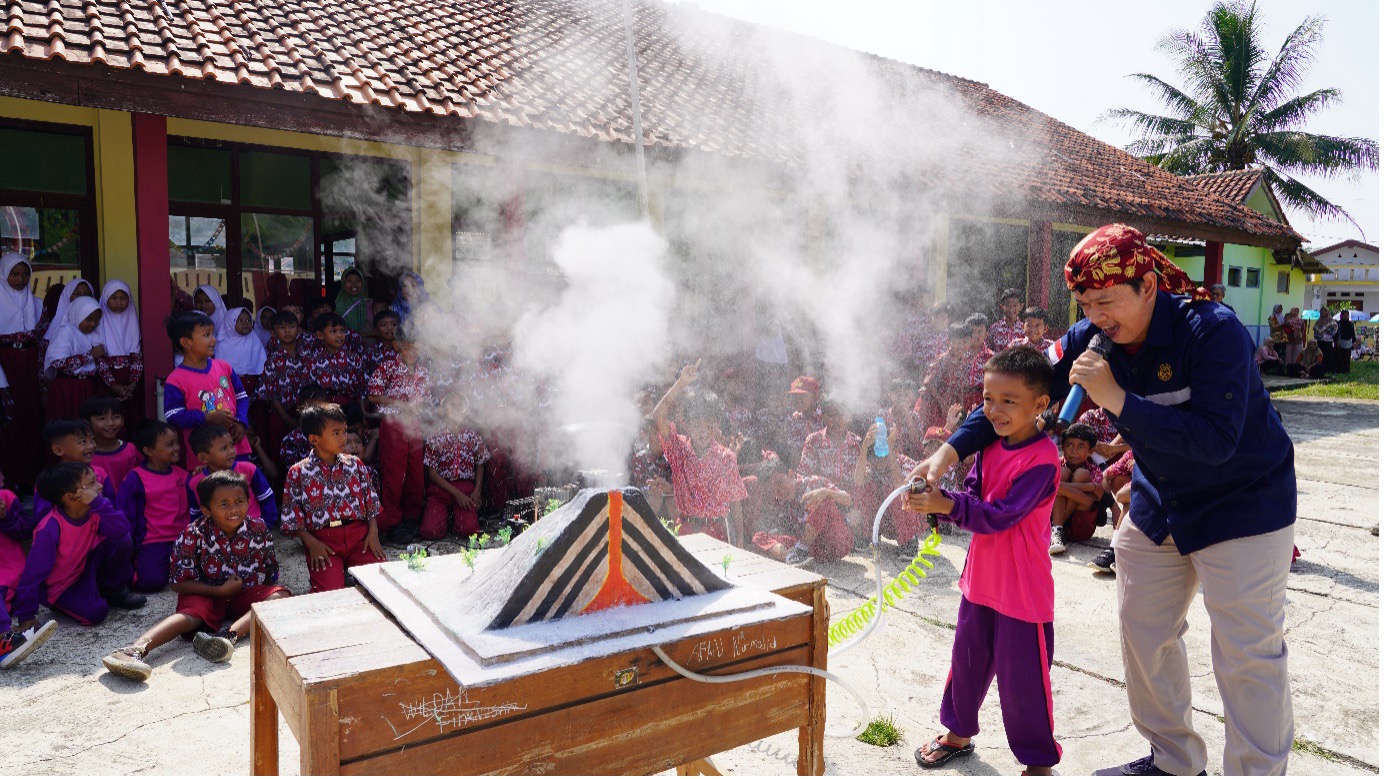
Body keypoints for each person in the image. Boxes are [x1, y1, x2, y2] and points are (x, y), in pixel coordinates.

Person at [913, 224, 1297, 775]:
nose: (1097, 317)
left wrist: (1117, 397)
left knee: (1247, 653)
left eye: (1107, 302)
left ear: (1147, 286)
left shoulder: (1213, 332)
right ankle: (1174, 761)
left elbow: (1217, 441)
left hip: (1243, 505)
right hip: (1160, 500)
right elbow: (1015, 390)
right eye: (1086, 304)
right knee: (1145, 634)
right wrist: (948, 454)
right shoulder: (1087, 340)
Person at [906, 346, 1062, 775]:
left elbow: (1002, 515)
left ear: (1040, 405)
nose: (995, 410)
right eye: (989, 399)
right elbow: (973, 497)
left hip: (1022, 596)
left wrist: (949, 505)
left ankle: (1037, 762)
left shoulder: (1042, 459)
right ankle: (958, 734)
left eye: (1009, 401)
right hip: (979, 584)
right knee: (966, 663)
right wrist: (936, 503)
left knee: (1023, 685)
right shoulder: (990, 446)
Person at [101, 470, 290, 682]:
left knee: (280, 596)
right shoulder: (193, 534)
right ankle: (133, 650)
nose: (234, 509)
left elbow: (270, 573)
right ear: (206, 510)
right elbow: (178, 584)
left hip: (242, 593)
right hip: (205, 594)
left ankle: (226, 636)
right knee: (189, 617)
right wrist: (219, 591)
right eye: (224, 504)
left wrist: (260, 595)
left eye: (240, 501)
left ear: (248, 501)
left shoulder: (259, 528)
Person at [13, 462, 145, 629]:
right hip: (62, 586)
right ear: (72, 496)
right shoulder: (51, 528)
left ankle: (114, 591)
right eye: (91, 483)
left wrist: (99, 503)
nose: (99, 485)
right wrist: (26, 615)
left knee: (122, 539)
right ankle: (65, 603)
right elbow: (33, 574)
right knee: (97, 613)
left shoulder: (94, 511)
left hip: (85, 569)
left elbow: (122, 528)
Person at [281, 403, 385, 593]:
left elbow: (371, 503)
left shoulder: (356, 465)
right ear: (314, 439)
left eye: (344, 431)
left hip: (360, 537)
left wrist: (373, 532)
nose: (343, 438)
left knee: (381, 586)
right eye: (336, 433)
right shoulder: (298, 473)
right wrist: (312, 544)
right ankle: (336, 575)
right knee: (330, 595)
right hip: (323, 542)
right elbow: (293, 518)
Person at [652, 360, 748, 546]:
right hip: (686, 530)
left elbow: (735, 504)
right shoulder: (678, 449)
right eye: (697, 425)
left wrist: (741, 545)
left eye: (709, 425)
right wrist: (681, 383)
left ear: (717, 425)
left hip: (717, 533)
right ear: (687, 425)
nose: (703, 432)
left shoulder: (727, 457)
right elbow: (658, 416)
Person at [164, 311, 253, 471]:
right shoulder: (176, 379)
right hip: (205, 456)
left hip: (236, 447)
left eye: (213, 334)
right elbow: (173, 416)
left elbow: (242, 398)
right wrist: (207, 417)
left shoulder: (224, 367)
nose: (214, 340)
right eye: (206, 335)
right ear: (186, 342)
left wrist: (241, 422)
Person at [366, 331, 430, 544]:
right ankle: (393, 521)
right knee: (394, 475)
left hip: (415, 425)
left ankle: (411, 518)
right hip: (394, 424)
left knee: (416, 473)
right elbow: (373, 394)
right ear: (396, 345)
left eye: (416, 346)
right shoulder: (388, 367)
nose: (413, 351)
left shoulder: (422, 370)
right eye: (408, 346)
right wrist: (401, 404)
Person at [117, 421, 191, 592]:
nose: (177, 448)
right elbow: (125, 514)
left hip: (184, 539)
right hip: (153, 541)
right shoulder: (135, 478)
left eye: (177, 442)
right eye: (170, 444)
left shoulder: (182, 475)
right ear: (149, 451)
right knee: (150, 583)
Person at [747, 452, 852, 566]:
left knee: (823, 501)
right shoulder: (779, 501)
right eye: (773, 490)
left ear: (791, 474)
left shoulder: (814, 483)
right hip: (814, 550)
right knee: (759, 537)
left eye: (780, 482)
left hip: (836, 542)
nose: (779, 491)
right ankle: (791, 556)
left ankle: (799, 552)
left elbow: (848, 500)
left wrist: (826, 492)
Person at [1, 484, 58, 668]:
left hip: (9, 576)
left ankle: (4, 640)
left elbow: (27, 529)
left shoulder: (5, 498)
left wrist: (5, 517)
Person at [421, 391, 490, 542]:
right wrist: (456, 494)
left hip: (465, 488)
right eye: (452, 405)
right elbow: (432, 474)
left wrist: (477, 491)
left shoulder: (472, 435)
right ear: (444, 409)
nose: (457, 408)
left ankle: (458, 518)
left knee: (470, 531)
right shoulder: (436, 436)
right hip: (441, 489)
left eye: (461, 405)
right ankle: (445, 516)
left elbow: (481, 462)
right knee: (430, 532)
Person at [0, 253, 44, 488]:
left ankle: (28, 479)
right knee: (10, 420)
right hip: (5, 367)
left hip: (29, 365)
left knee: (30, 416)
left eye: (25, 274)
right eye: (14, 274)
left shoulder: (36, 303)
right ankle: (10, 480)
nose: (20, 279)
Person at [185, 424, 278, 530]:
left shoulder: (248, 469)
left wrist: (266, 525)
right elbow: (196, 514)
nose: (232, 451)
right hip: (219, 540)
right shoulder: (196, 483)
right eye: (224, 448)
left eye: (232, 445)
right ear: (203, 457)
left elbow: (266, 498)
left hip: (254, 532)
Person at [33, 419, 117, 521]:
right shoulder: (50, 479)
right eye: (83, 442)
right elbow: (42, 516)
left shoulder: (99, 472)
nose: (91, 446)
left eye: (92, 439)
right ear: (58, 450)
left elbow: (112, 503)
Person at [257, 310, 307, 471]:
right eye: (282, 327)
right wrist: (287, 418)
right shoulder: (272, 361)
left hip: (306, 415)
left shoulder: (308, 356)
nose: (287, 331)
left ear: (298, 329)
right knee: (279, 458)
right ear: (273, 332)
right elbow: (269, 395)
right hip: (280, 415)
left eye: (291, 327)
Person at [42, 297, 104, 419]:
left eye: (96, 319)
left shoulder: (93, 334)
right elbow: (57, 362)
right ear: (77, 315)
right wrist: (90, 355)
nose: (93, 324)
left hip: (87, 387)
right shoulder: (66, 332)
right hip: (68, 387)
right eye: (89, 319)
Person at [1048, 423, 1103, 555]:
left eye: (1081, 446)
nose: (1074, 451)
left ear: (1090, 451)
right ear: (1062, 447)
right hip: (1053, 520)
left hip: (1079, 527)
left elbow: (1088, 502)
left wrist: (1058, 486)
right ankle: (1057, 532)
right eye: (1069, 445)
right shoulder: (1055, 463)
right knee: (1063, 472)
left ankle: (1055, 529)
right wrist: (1090, 487)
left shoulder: (1094, 470)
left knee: (1081, 474)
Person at [94, 280, 144, 423]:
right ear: (105, 298)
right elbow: (99, 357)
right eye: (114, 298)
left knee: (130, 419)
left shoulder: (132, 320)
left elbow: (137, 354)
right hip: (107, 382)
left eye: (123, 298)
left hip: (130, 382)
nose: (119, 303)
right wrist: (113, 385)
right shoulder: (100, 323)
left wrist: (133, 383)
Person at [306, 312, 367, 408]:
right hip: (323, 410)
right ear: (320, 335)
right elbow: (308, 393)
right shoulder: (313, 361)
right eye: (333, 331)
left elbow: (362, 390)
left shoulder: (354, 359)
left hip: (350, 409)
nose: (339, 335)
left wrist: (363, 416)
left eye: (342, 331)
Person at [83, 395, 142, 490]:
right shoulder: (85, 455)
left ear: (123, 420)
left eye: (116, 417)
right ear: (87, 423)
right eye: (101, 418)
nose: (110, 423)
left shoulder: (133, 449)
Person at [798, 400, 863, 487]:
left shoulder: (857, 444)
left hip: (850, 499)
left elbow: (865, 476)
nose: (836, 420)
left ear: (848, 416)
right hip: (822, 497)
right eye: (831, 415)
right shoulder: (813, 442)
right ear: (823, 417)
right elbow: (803, 476)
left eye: (840, 415)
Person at [215, 307, 267, 403]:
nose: (245, 323)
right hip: (230, 387)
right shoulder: (222, 345)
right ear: (230, 323)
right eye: (240, 320)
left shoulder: (254, 340)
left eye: (248, 320)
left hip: (252, 387)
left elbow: (261, 365)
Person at [38, 277, 94, 354]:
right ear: (67, 297)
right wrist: (91, 356)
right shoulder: (59, 330)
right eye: (77, 294)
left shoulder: (97, 325)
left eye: (87, 294)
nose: (82, 297)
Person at [335, 267, 373, 335]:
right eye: (349, 281)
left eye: (358, 281)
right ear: (343, 283)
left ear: (362, 283)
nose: (354, 284)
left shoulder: (369, 305)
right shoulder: (335, 307)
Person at [1334, 309, 1356, 374]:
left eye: (1347, 315)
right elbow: (1335, 333)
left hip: (1348, 342)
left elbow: (1352, 333)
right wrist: (1336, 341)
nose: (1346, 316)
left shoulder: (1350, 324)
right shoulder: (1338, 324)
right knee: (1339, 357)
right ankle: (1339, 371)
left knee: (1347, 357)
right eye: (1344, 315)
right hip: (1340, 342)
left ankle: (1346, 371)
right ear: (1341, 315)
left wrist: (1354, 342)